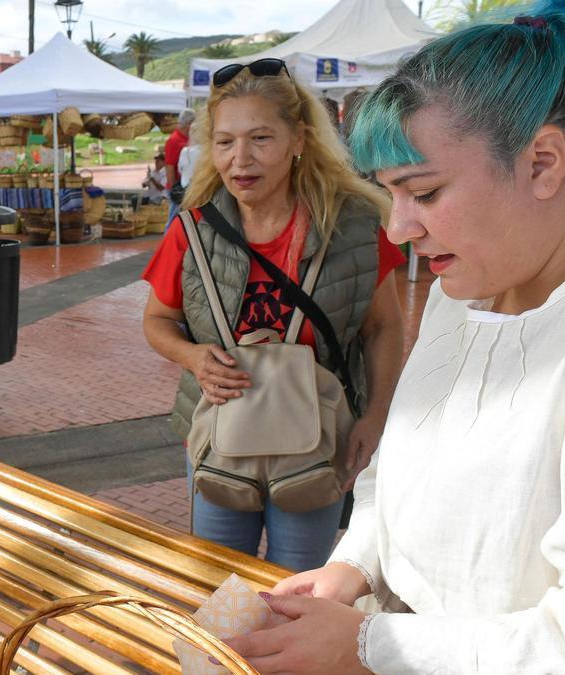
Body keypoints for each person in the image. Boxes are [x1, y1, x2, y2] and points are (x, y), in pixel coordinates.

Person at [226, 2, 565, 672]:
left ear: (544, 162)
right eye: (390, 194)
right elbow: (406, 458)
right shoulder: (461, 290)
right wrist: (355, 563)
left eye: (426, 192)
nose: (398, 229)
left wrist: (366, 645)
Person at [141, 56, 406, 572]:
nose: (241, 158)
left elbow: (384, 327)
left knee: (297, 582)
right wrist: (194, 357)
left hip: (317, 435)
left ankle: (279, 658)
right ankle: (222, 659)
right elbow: (157, 322)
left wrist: (375, 418)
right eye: (225, 142)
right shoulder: (193, 229)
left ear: (299, 140)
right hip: (221, 435)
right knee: (218, 581)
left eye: (261, 138)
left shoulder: (354, 226)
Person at [164, 108, 195, 219]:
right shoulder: (174, 140)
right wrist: (173, 189)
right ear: (189, 124)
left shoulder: (184, 138)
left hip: (182, 185)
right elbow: (169, 166)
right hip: (177, 186)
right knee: (174, 218)